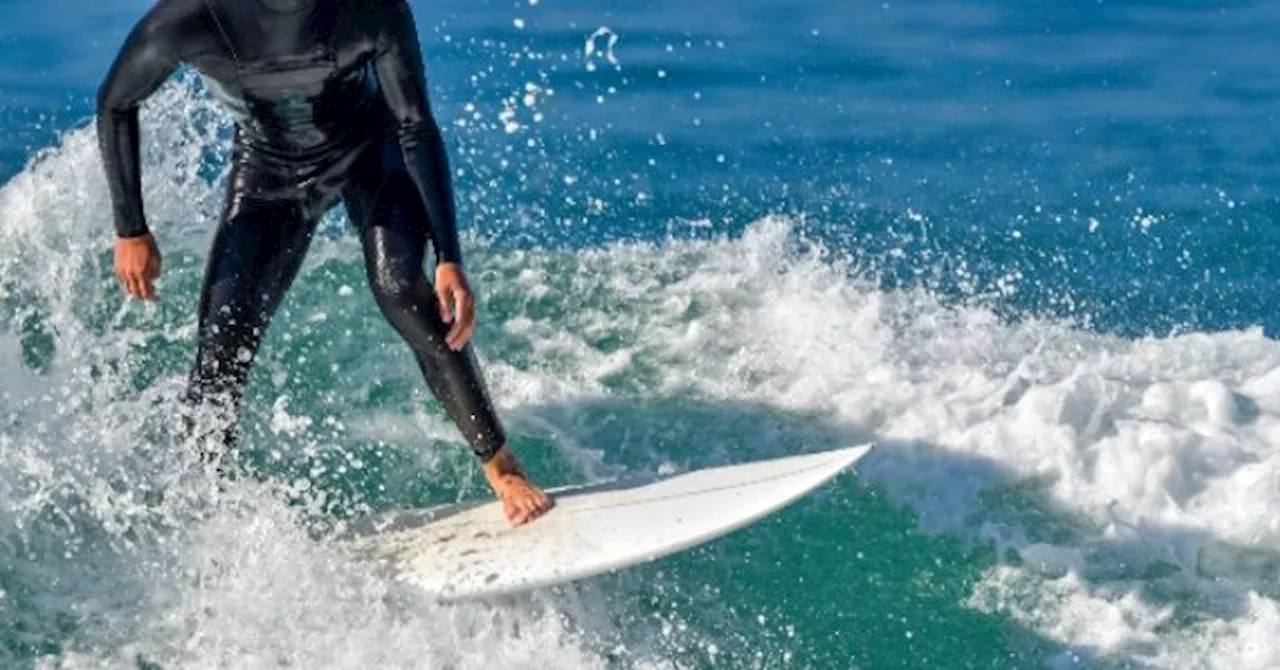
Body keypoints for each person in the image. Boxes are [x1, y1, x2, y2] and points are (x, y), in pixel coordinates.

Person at [96, 0, 552, 526]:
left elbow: (413, 124)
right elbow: (115, 102)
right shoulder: (194, 18)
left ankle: (500, 463)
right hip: (268, 174)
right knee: (222, 340)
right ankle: (204, 511)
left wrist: (449, 256)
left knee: (402, 289)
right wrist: (131, 229)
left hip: (369, 153)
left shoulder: (368, 8)